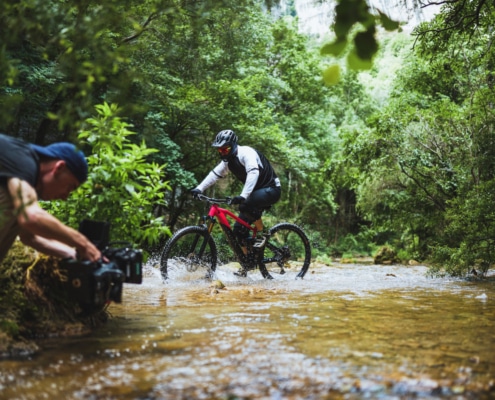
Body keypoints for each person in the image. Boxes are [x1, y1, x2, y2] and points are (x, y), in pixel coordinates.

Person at [0, 133, 102, 264]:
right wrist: (82, 242)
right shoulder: (24, 161)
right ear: (59, 167)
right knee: (12, 202)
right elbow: (31, 217)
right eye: (70, 187)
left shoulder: (22, 173)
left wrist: (76, 255)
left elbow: (31, 237)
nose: (65, 197)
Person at [191, 129, 281, 258]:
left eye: (225, 149)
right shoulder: (228, 161)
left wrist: (243, 196)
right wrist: (199, 188)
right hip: (255, 194)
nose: (222, 152)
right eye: (219, 150)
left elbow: (253, 173)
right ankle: (247, 262)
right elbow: (214, 175)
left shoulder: (246, 153)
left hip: (271, 189)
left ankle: (263, 233)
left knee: (245, 205)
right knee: (239, 230)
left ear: (233, 145)